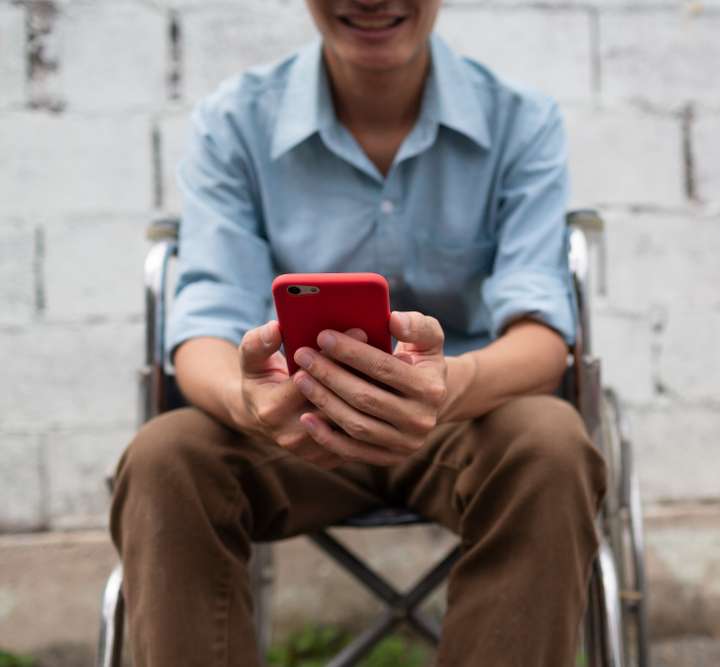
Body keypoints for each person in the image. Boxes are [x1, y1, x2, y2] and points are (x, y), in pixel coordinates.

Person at [110, 0, 607, 665]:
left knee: (552, 444)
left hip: (464, 417)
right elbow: (203, 325)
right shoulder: (235, 124)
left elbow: (542, 332)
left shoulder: (521, 121)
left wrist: (449, 384)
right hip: (292, 424)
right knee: (163, 456)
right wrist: (248, 402)